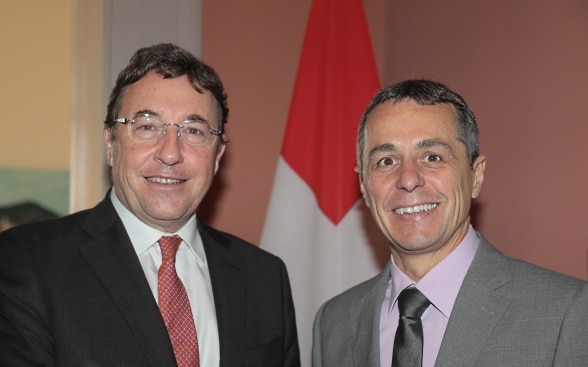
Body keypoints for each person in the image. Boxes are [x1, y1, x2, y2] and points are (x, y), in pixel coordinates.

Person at [0, 43, 300, 367]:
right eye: (146, 126)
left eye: (194, 130)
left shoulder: (265, 278)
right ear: (111, 144)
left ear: (218, 156)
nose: (170, 153)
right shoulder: (28, 262)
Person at [312, 79, 588, 367]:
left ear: (476, 176)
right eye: (386, 161)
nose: (408, 179)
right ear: (364, 185)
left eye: (432, 157)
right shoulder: (333, 323)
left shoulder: (565, 313)